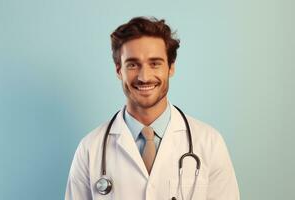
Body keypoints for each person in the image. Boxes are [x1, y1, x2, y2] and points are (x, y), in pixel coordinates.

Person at [65, 16, 240, 200]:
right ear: (118, 70)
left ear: (171, 68)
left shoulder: (209, 143)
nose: (144, 77)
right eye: (132, 65)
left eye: (155, 63)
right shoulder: (90, 149)